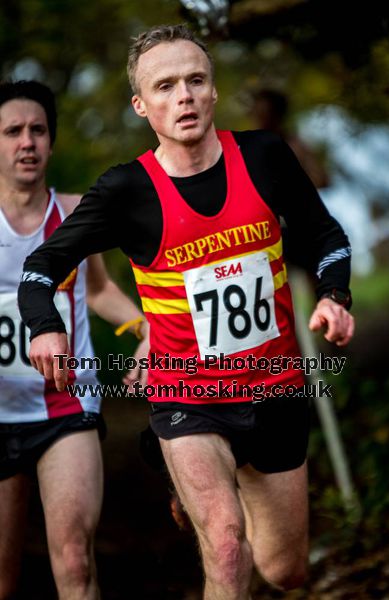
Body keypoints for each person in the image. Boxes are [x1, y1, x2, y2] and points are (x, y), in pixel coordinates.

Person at [18, 25, 354, 600]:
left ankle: (209, 481)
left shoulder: (266, 157)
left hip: (275, 389)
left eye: (195, 81)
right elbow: (40, 269)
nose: (184, 97)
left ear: (214, 91)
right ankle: (190, 472)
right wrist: (47, 328)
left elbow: (327, 237)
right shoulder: (125, 190)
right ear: (140, 104)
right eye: (165, 86)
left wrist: (334, 295)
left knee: (284, 571)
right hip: (186, 395)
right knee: (226, 546)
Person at [0, 80, 148, 600]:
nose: (27, 142)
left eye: (38, 130)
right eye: (13, 131)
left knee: (74, 560)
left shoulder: (77, 211)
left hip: (68, 406)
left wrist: (143, 328)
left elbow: (101, 290)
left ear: (51, 142)